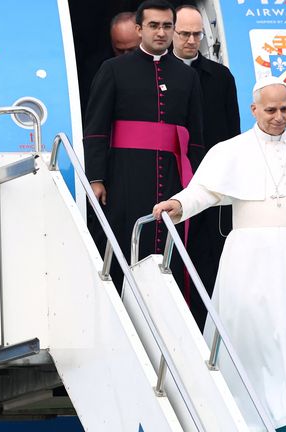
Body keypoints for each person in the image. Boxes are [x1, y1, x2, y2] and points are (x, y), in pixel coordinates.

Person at [153, 77, 286, 432]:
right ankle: (253, 417)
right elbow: (203, 192)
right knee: (257, 337)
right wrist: (178, 203)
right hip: (252, 258)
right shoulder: (230, 151)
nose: (279, 117)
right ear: (254, 109)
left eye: (285, 109)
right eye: (271, 109)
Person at [83, 0, 205, 292]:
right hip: (126, 173)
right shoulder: (112, 69)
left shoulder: (187, 76)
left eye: (166, 26)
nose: (160, 32)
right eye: (153, 25)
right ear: (139, 29)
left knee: (169, 248)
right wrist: (96, 177)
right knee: (126, 242)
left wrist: (196, 184)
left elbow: (196, 136)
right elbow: (96, 128)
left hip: (174, 177)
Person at [170, 5, 241, 329]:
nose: (191, 40)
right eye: (184, 33)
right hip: (173, 178)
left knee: (212, 257)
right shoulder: (161, 76)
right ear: (172, 32)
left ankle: (213, 327)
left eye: (196, 34)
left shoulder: (221, 77)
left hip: (214, 183)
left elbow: (233, 133)